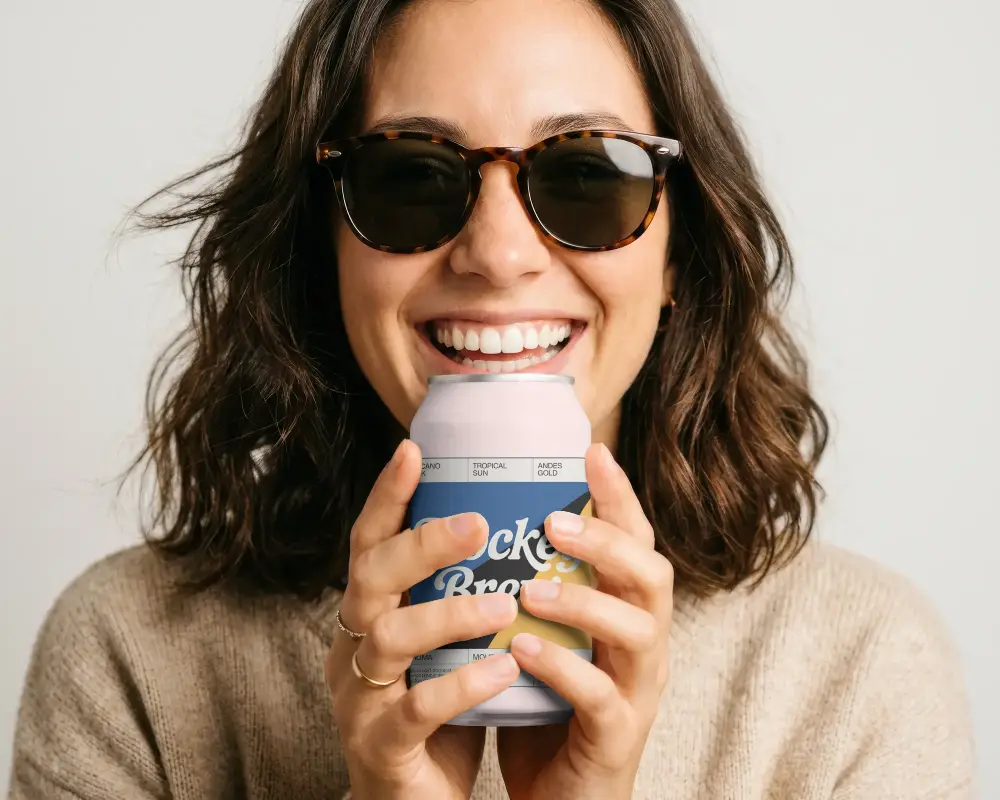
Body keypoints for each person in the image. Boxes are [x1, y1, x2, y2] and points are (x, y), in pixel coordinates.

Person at [8, 0, 976, 798]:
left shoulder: (856, 669)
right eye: (411, 178)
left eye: (587, 174)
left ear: (679, 248)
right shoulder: (132, 650)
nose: (498, 253)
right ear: (323, 247)